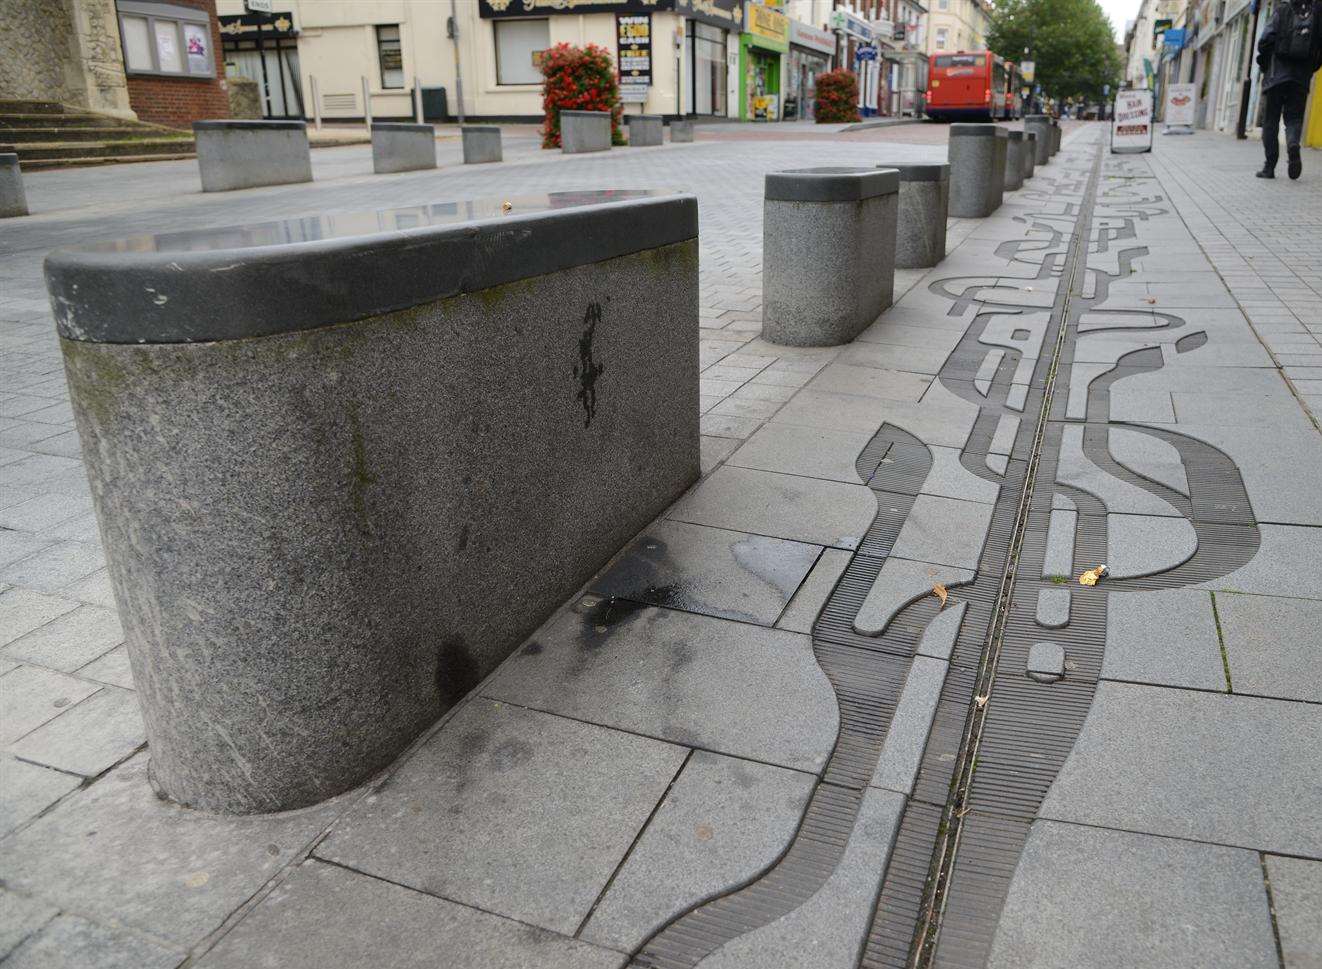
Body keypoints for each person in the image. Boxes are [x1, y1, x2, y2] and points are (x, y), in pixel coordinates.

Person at [1256, 0, 1322, 179]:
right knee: (1294, 118)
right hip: (1301, 78)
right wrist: (1310, 69)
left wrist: (1264, 63)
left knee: (1270, 121)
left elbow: (1265, 40)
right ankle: (1293, 144)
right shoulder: (1317, 13)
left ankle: (1269, 167)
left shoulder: (1282, 10)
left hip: (1276, 75)